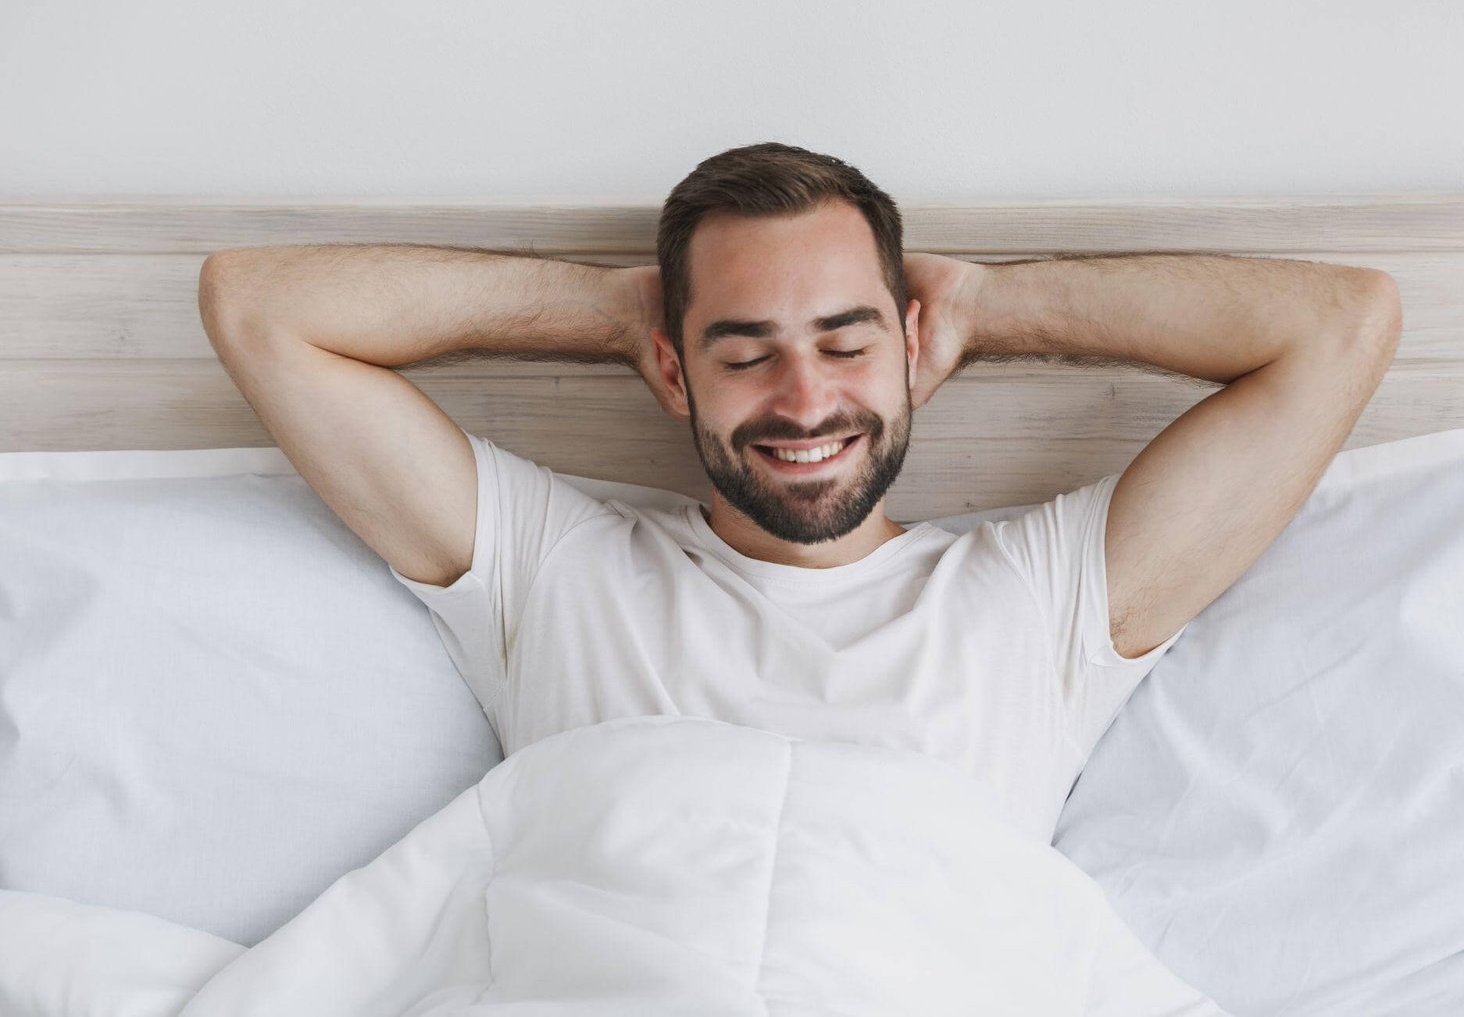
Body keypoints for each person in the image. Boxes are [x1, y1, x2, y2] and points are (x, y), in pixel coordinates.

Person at [198, 141, 1400, 842]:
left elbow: (1340, 326)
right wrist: (620, 314)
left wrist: (983, 309)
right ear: (673, 368)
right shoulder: (555, 568)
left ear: (909, 341)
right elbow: (260, 307)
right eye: (742, 349)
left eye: (844, 340)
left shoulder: (1038, 598)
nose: (803, 396)